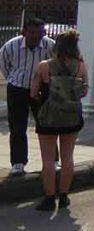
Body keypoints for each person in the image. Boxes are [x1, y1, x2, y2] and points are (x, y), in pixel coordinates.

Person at [30, 30, 87, 211]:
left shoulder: (44, 66)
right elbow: (84, 92)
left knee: (48, 160)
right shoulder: (80, 67)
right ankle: (63, 197)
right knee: (68, 157)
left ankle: (49, 197)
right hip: (71, 116)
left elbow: (33, 92)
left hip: (48, 117)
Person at [0, 17, 55, 177]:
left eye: (39, 33)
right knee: (17, 126)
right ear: (24, 32)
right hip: (17, 89)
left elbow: (55, 64)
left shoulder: (49, 45)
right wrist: (14, 78)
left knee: (47, 125)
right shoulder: (11, 46)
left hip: (40, 91)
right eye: (32, 32)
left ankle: (53, 160)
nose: (35, 36)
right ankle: (18, 162)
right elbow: (4, 64)